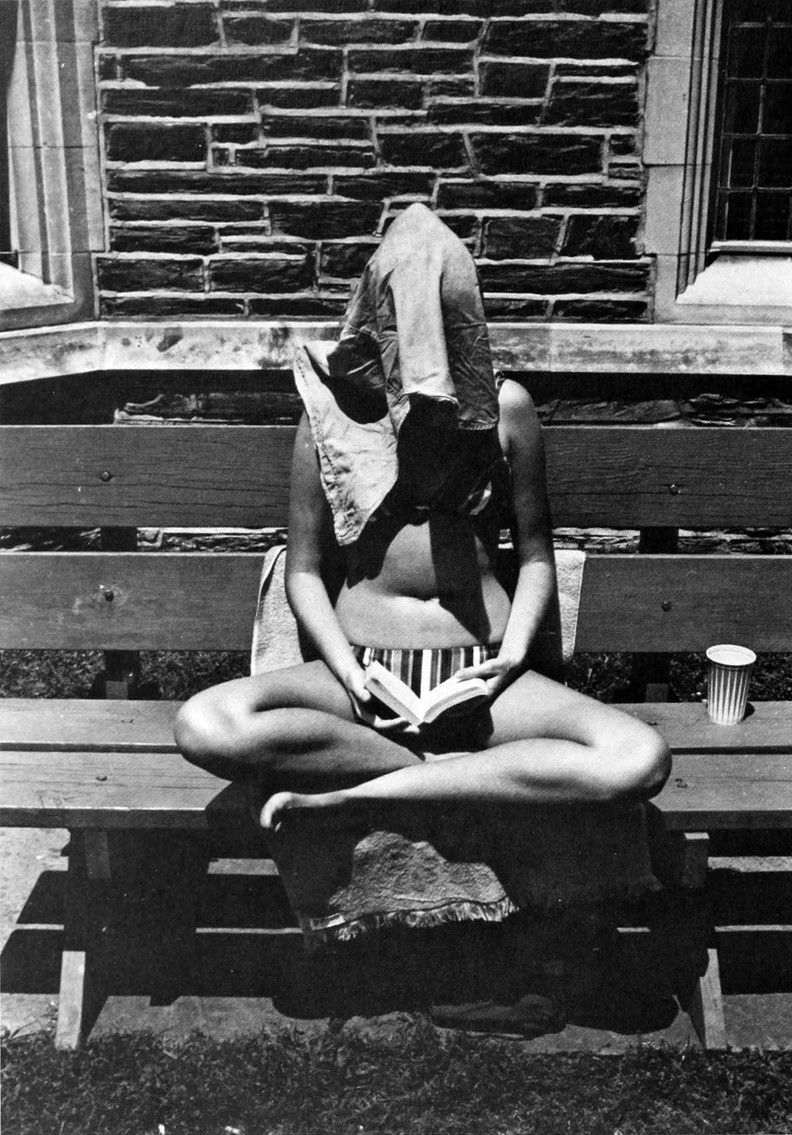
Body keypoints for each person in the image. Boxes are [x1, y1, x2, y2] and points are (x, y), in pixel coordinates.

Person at [175, 205, 670, 841]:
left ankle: (360, 794)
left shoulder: (507, 409)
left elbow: (536, 556)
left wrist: (513, 657)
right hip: (361, 674)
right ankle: (450, 776)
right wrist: (349, 675)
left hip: (482, 679)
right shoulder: (328, 413)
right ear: (375, 309)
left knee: (639, 758)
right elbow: (303, 571)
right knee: (204, 724)